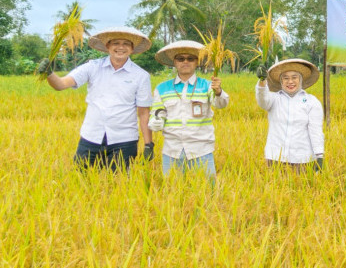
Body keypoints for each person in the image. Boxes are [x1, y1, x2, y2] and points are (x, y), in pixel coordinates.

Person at [38, 26, 154, 169]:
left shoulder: (141, 76)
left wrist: (148, 144)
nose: (120, 47)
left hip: (124, 140)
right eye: (116, 43)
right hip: (91, 136)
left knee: (119, 181)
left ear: (132, 48)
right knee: (81, 178)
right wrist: (49, 73)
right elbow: (61, 84)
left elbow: (144, 113)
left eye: (126, 44)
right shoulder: (92, 67)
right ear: (108, 46)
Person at [149, 39, 229, 178]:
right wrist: (156, 121)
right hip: (172, 150)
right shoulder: (162, 88)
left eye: (190, 59)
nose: (185, 62)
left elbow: (220, 104)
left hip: (201, 150)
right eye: (180, 59)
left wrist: (218, 91)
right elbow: (157, 112)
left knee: (207, 188)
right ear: (174, 62)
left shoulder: (208, 86)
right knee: (172, 188)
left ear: (197, 62)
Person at [256, 58, 324, 171]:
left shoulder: (311, 101)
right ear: (281, 81)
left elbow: (315, 131)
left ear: (300, 79)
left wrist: (319, 155)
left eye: (294, 77)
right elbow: (262, 100)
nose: (290, 82)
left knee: (303, 182)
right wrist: (262, 81)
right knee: (273, 182)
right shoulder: (274, 99)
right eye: (286, 78)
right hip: (275, 158)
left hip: (302, 160)